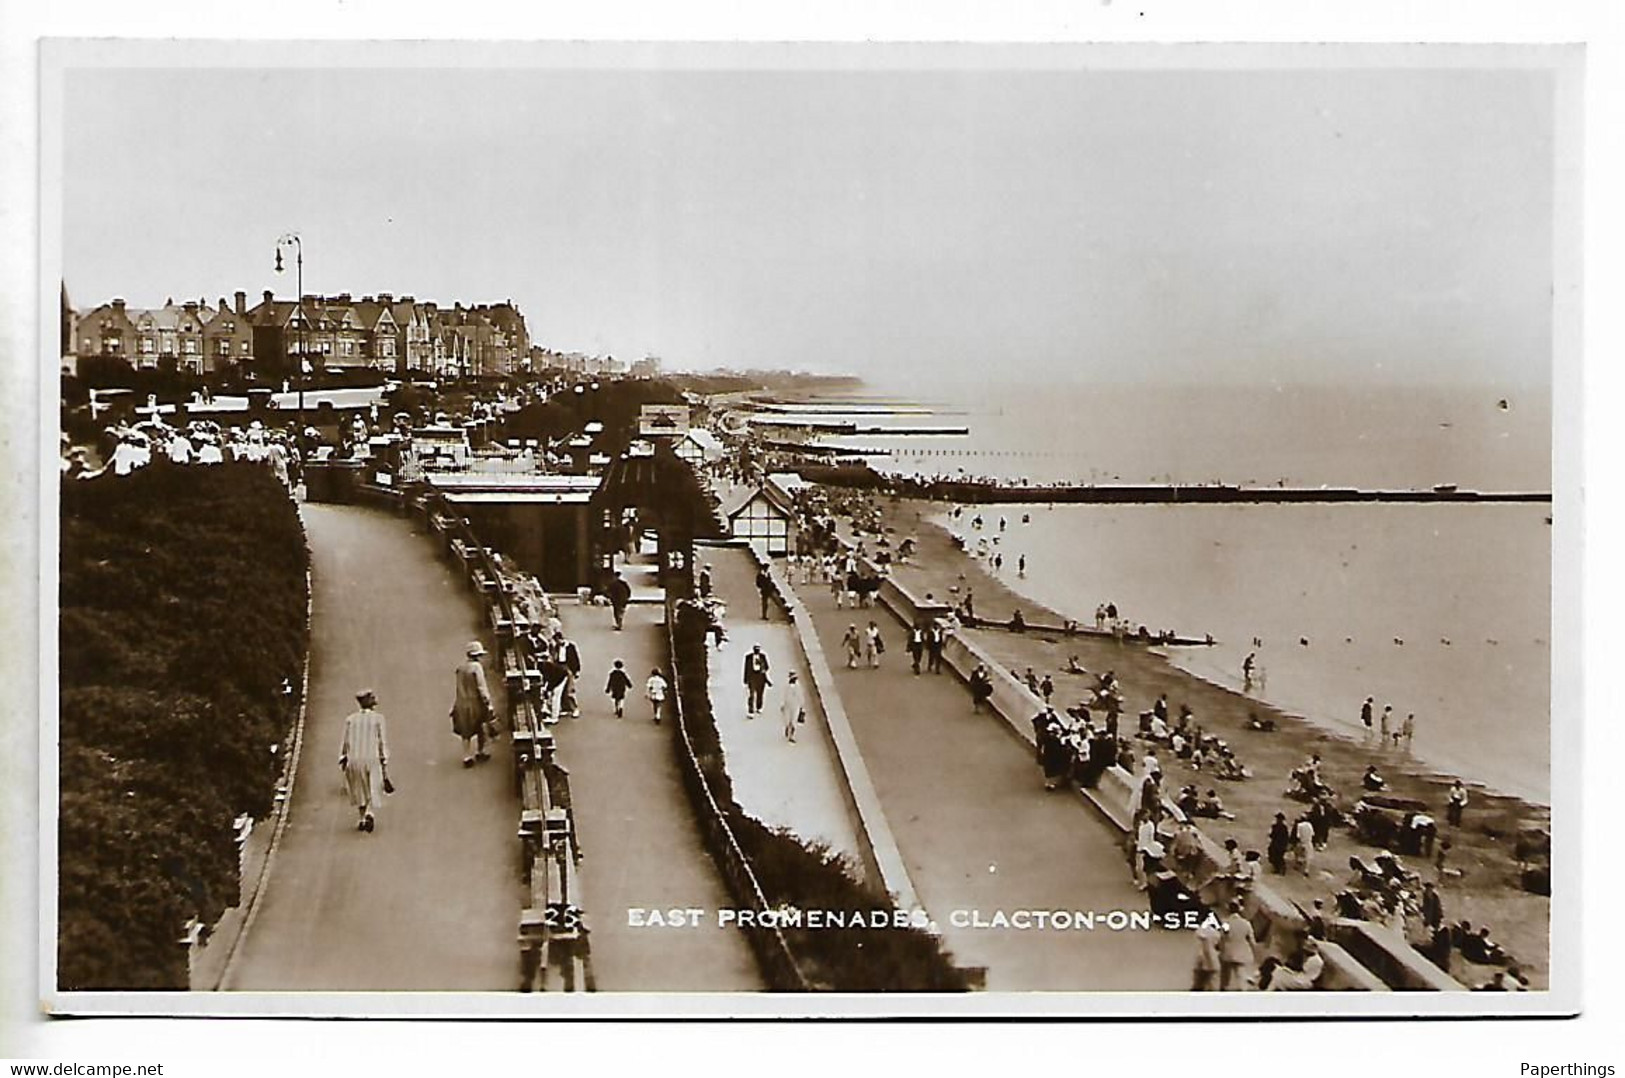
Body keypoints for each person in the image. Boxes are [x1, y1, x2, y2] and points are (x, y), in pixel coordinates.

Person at [340, 689, 391, 833]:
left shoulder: (350, 719)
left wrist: (343, 757)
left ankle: (362, 818)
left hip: (354, 759)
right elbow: (381, 741)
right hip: (371, 757)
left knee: (359, 789)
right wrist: (384, 759)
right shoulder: (378, 719)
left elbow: (346, 741)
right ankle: (369, 813)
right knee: (372, 787)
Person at [451, 641, 495, 767]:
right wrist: (488, 703)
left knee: (466, 731)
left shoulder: (460, 668)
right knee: (482, 726)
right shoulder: (476, 668)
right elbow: (482, 687)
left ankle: (466, 756)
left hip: (461, 702)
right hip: (475, 702)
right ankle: (480, 751)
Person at [1219, 901, 1257, 991]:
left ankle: (1223, 990)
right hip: (1241, 953)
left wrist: (1220, 949)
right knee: (1240, 975)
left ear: (1228, 910)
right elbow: (1252, 940)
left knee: (1225, 976)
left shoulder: (1226, 923)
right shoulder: (1246, 923)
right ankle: (1242, 991)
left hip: (1227, 953)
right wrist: (1254, 951)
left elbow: (1222, 937)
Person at [554, 632, 582, 719]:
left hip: (568, 668)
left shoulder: (570, 647)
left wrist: (577, 671)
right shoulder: (557, 647)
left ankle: (574, 708)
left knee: (569, 690)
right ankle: (565, 708)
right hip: (559, 668)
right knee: (561, 689)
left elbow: (575, 658)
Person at [1191, 915, 1222, 991]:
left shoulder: (1198, 931)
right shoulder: (1216, 933)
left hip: (1200, 959)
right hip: (1212, 959)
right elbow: (1219, 946)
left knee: (1198, 982)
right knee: (1212, 982)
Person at [743, 644, 772, 717]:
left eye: (758, 649)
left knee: (760, 694)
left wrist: (761, 665)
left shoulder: (763, 656)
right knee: (751, 695)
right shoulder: (748, 657)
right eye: (756, 649)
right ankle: (751, 711)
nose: (757, 651)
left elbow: (767, 667)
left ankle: (759, 707)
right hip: (752, 677)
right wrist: (745, 680)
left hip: (760, 677)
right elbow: (746, 668)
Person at [780, 670, 806, 743]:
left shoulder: (797, 687)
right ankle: (788, 729)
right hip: (789, 705)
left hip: (795, 706)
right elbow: (784, 696)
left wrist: (801, 706)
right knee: (788, 720)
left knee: (793, 720)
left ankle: (792, 735)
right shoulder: (787, 686)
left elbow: (800, 697)